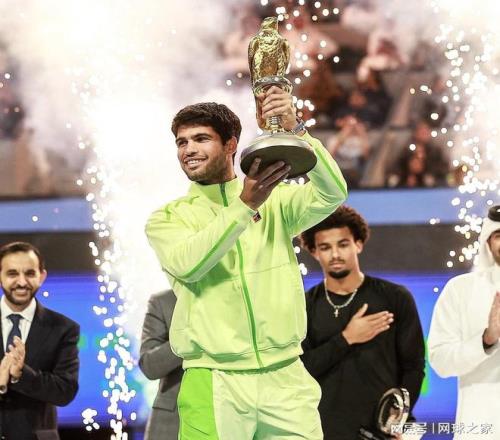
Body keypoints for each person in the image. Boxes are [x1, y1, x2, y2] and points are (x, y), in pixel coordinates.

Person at [146, 86, 347, 439]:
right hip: (214, 378)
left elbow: (332, 193)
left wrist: (297, 131)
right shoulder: (167, 218)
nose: (188, 149)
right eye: (182, 142)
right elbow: (189, 265)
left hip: (286, 376)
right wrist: (245, 206)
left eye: (201, 139)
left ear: (230, 145)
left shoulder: (276, 201)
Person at [299, 206, 425, 440]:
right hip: (322, 430)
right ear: (314, 252)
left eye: (343, 244)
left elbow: (413, 367)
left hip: (382, 432)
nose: (335, 254)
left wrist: (398, 419)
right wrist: (346, 339)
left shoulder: (395, 298)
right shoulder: (304, 306)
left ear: (358, 244)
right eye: (325, 247)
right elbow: (300, 370)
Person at [428, 205, 500, 439]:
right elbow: (440, 361)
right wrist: (486, 341)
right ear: (488, 242)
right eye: (499, 235)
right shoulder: (461, 290)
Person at [0, 241, 80, 440]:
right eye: (12, 273)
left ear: (42, 276)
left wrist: (21, 374)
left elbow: (65, 391)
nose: (21, 282)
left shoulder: (64, 328)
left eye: (29, 273)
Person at [139, 289, 183, 440]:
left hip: (232, 413)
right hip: (172, 424)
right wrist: (188, 338)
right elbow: (149, 366)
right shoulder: (163, 301)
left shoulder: (238, 298)